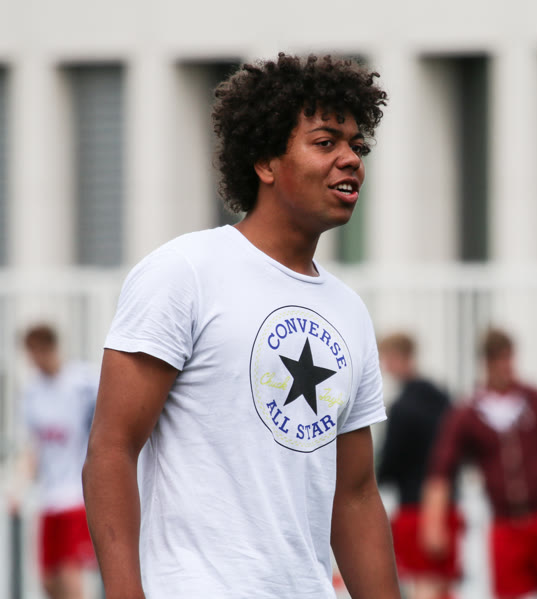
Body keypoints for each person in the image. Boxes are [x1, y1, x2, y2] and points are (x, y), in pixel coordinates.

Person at [82, 54, 401, 599]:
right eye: (326, 142)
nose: (350, 159)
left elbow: (354, 495)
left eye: (357, 146)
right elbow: (112, 448)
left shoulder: (348, 310)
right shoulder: (184, 272)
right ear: (265, 163)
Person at [422, 328, 537, 599]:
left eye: (507, 358)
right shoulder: (469, 414)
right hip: (506, 524)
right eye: (497, 359)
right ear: (485, 362)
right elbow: (441, 471)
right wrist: (434, 523)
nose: (504, 366)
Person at [376, 332, 461, 599]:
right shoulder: (443, 398)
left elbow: (390, 462)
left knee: (422, 585)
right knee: (444, 586)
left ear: (396, 357)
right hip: (447, 505)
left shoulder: (402, 407)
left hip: (414, 509)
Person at [16, 324, 97, 599]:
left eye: (37, 353)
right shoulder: (32, 393)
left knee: (70, 572)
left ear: (50, 349)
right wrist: (19, 488)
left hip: (76, 495)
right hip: (49, 497)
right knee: (48, 580)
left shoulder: (83, 383)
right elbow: (34, 446)